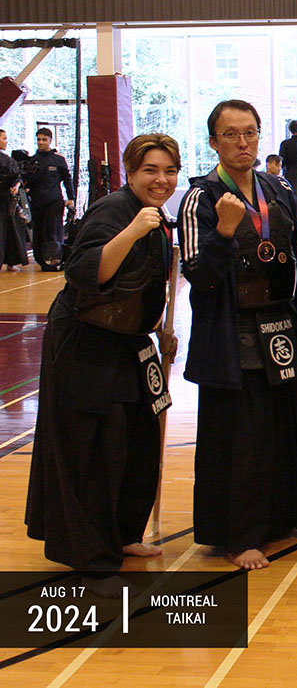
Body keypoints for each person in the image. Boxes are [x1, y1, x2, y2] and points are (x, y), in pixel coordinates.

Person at [25, 133, 181, 572]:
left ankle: (124, 534)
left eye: (169, 171)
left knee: (136, 440)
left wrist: (159, 330)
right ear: (129, 172)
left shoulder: (156, 217)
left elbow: (144, 282)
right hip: (87, 340)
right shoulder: (114, 211)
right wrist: (131, 232)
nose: (161, 179)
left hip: (130, 341)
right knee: (96, 447)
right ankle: (90, 553)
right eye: (150, 170)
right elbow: (85, 272)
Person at [179, 99, 297, 570]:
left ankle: (279, 518)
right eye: (231, 135)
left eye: (250, 132)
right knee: (240, 438)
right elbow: (199, 275)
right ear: (213, 142)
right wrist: (224, 232)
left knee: (280, 427)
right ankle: (238, 535)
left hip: (278, 326)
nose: (242, 143)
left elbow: (294, 255)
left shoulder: (276, 188)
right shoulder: (201, 197)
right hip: (230, 330)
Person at [28, 127, 75, 271]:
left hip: (54, 201)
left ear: (50, 140)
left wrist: (71, 198)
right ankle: (41, 260)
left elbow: (67, 179)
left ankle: (55, 259)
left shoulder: (58, 160)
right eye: (38, 140)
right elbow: (27, 182)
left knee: (53, 231)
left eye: (44, 139)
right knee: (38, 231)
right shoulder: (32, 161)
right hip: (37, 202)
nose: (41, 142)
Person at [0, 128, 29, 271]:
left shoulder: (8, 160)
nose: (6, 142)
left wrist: (16, 186)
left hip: (7, 201)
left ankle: (11, 261)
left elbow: (17, 177)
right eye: (3, 138)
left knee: (11, 231)